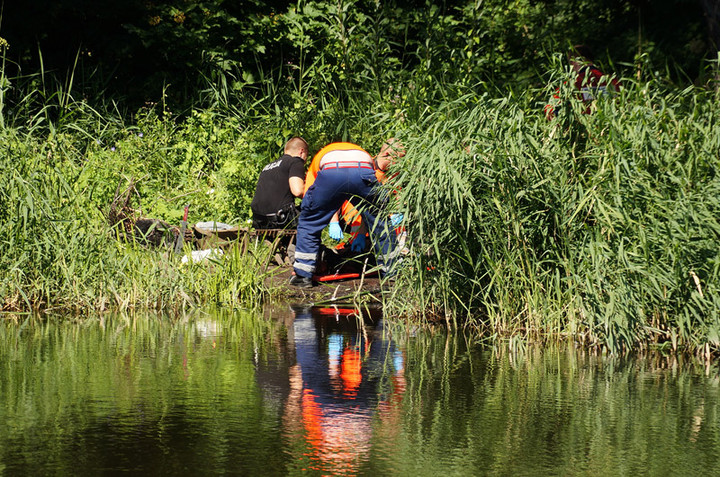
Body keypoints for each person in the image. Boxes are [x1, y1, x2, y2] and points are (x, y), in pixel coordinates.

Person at [290, 140, 405, 288]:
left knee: (309, 222)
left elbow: (310, 200)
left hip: (331, 170)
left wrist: (328, 220)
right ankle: (392, 273)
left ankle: (303, 275)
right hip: (362, 167)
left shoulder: (319, 158)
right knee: (380, 222)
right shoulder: (365, 155)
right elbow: (367, 207)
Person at [545, 45, 621, 120]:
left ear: (573, 63)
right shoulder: (612, 81)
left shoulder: (572, 84)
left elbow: (550, 109)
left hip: (586, 129)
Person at [250, 137, 309, 229]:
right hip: (281, 220)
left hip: (259, 221)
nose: (305, 160)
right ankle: (311, 243)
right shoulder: (296, 161)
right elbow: (298, 191)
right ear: (301, 152)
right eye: (307, 156)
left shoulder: (267, 167)